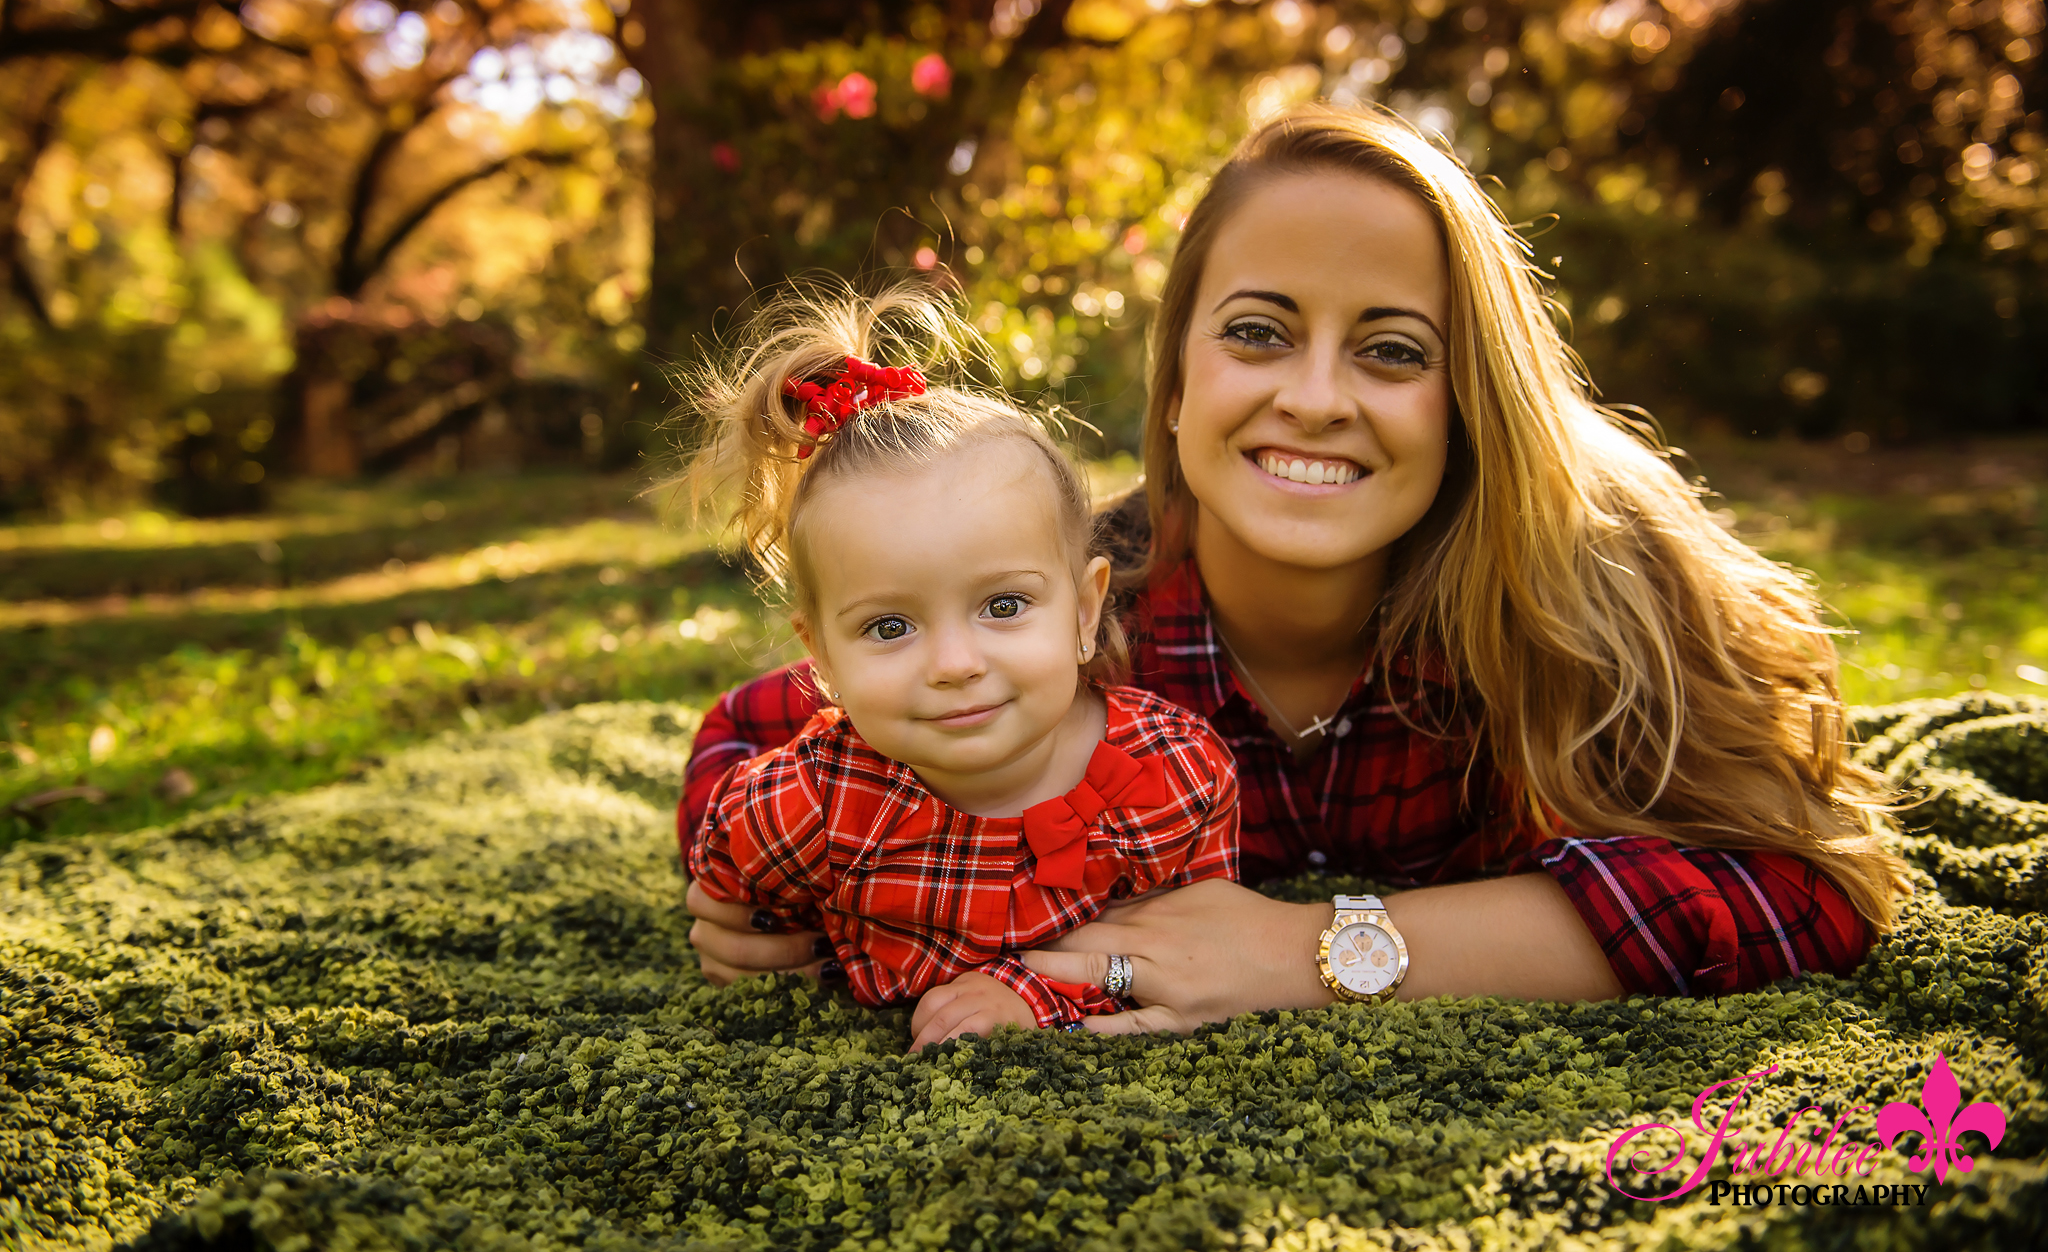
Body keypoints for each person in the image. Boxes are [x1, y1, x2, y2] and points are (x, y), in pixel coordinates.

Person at [681, 107, 1910, 1032]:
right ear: (1175, 381)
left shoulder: (1573, 594)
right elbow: (753, 731)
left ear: (1466, 396)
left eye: (1389, 349)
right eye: (1257, 332)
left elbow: (1804, 883)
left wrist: (1319, 951)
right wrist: (738, 911)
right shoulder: (1061, 615)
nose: (1314, 400)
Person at [675, 283, 1240, 1050]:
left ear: (1082, 610)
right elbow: (725, 871)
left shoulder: (1174, 776)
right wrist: (752, 940)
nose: (953, 663)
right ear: (822, 655)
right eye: (890, 625)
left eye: (1003, 606)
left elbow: (1203, 955)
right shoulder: (815, 797)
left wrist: (1035, 995)